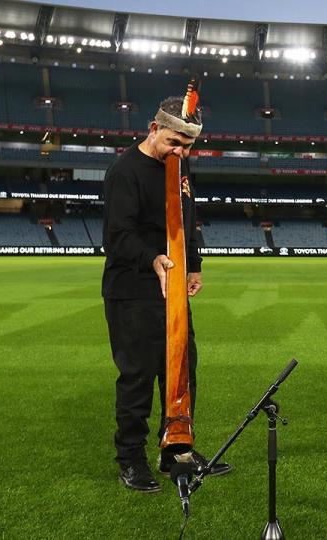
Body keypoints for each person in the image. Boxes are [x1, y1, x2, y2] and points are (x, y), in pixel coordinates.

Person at [101, 94, 231, 492]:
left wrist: (194, 265)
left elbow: (188, 220)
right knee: (138, 376)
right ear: (153, 129)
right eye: (174, 143)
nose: (181, 152)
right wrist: (154, 259)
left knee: (180, 370)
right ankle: (131, 459)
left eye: (188, 146)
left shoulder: (180, 165)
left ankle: (176, 451)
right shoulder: (125, 171)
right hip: (134, 288)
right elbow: (117, 236)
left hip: (173, 286)